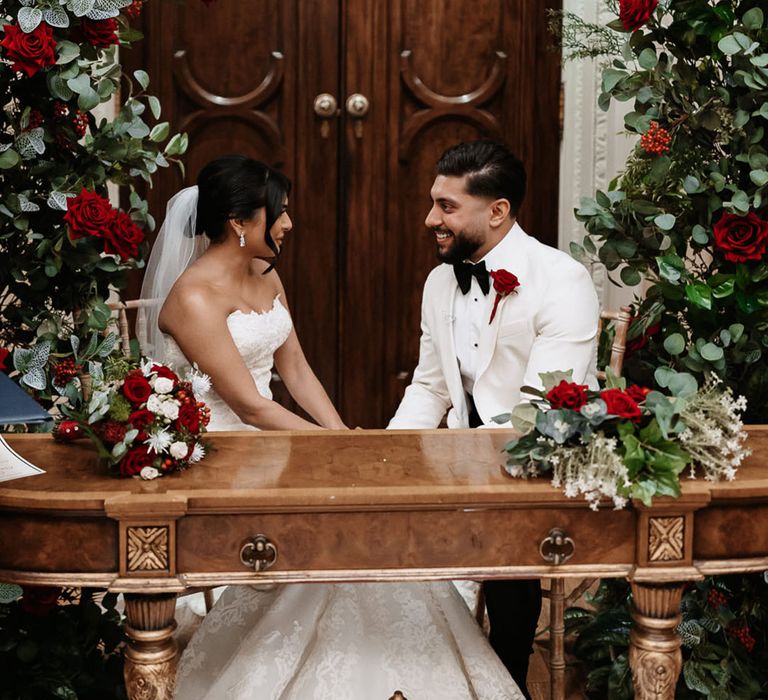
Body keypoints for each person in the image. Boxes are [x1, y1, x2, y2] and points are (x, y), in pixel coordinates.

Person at [140, 155, 524, 699]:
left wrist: (343, 439)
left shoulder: (264, 271)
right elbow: (250, 406)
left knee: (352, 510)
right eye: (281, 212)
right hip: (228, 453)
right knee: (331, 531)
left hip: (275, 439)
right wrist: (324, 447)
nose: (289, 223)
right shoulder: (193, 298)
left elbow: (294, 369)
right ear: (240, 221)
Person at [389, 140, 600, 697]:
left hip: (540, 464)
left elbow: (540, 409)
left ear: (498, 211)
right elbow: (431, 386)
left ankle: (504, 682)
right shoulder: (441, 281)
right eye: (434, 202)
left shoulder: (562, 279)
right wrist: (387, 462)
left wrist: (465, 474)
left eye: (447, 207)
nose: (431, 218)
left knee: (507, 522)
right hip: (462, 463)